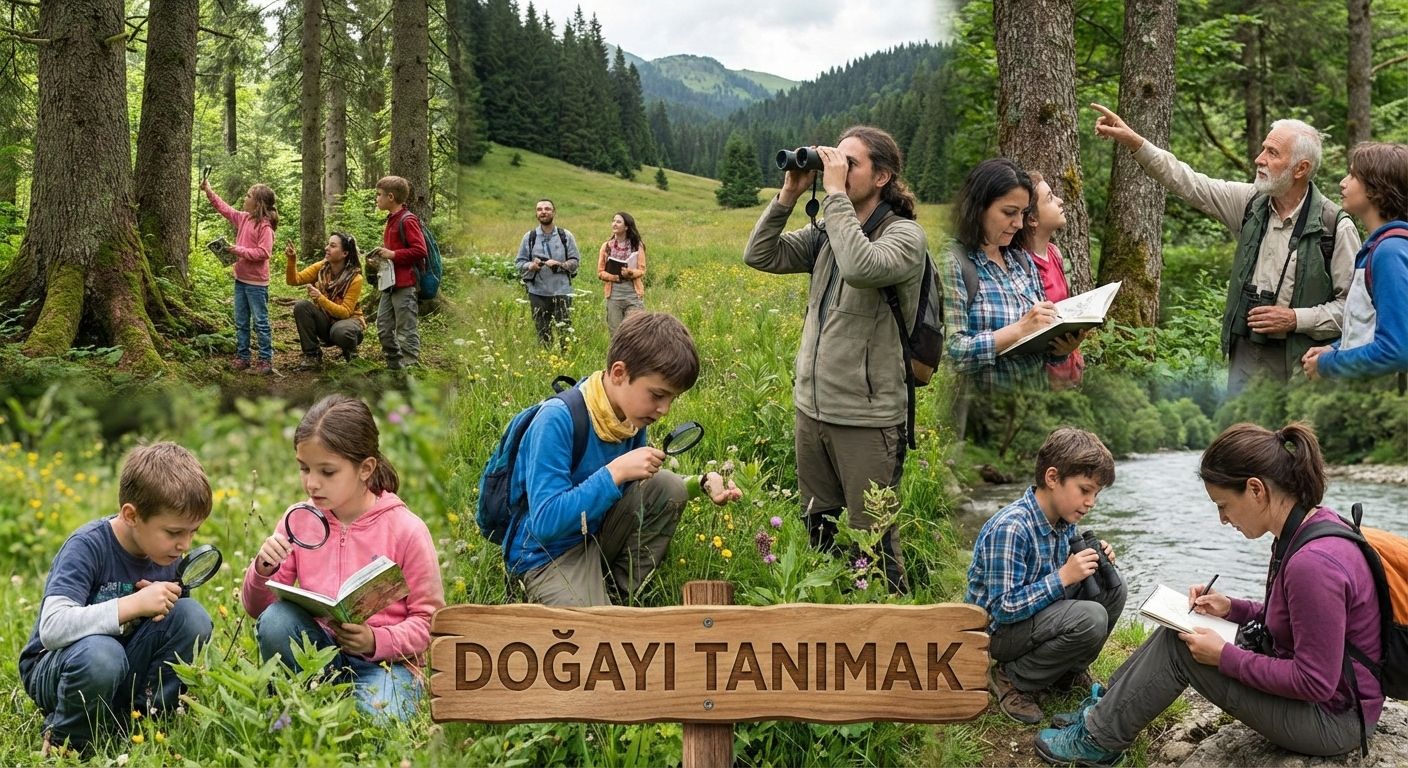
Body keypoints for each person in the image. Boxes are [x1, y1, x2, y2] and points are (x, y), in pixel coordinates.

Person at [1035, 422, 1383, 764]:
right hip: (1323, 701)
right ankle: (1107, 708)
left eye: (1223, 505)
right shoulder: (1302, 530)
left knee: (1184, 650)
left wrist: (1224, 657)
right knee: (1183, 627)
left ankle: (1098, 741)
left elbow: (1315, 682)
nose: (1222, 519)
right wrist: (1231, 608)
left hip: (1333, 720)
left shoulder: (1312, 563)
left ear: (1256, 489)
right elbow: (1295, 620)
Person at [743, 126, 925, 593]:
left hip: (866, 418)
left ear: (882, 176)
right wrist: (788, 195)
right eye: (833, 160)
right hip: (813, 409)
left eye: (850, 163)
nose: (836, 169)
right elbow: (759, 255)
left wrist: (835, 195)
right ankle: (831, 609)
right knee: (819, 528)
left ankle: (891, 617)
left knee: (874, 543)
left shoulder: (905, 236)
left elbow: (862, 267)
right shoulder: (827, 233)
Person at [1092, 103, 1359, 397]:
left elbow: (1354, 310)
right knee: (1241, 425)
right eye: (1263, 149)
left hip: (1303, 362)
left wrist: (1295, 318)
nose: (1259, 159)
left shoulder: (1334, 227)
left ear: (1301, 168)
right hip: (1245, 352)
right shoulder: (1249, 203)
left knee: (1294, 426)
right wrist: (1135, 141)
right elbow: (1187, 181)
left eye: (1272, 153)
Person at [505, 312, 741, 607]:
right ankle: (577, 598)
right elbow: (544, 523)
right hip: (547, 553)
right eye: (657, 395)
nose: (664, 409)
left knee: (669, 486)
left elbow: (641, 487)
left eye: (672, 399)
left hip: (595, 533)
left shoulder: (630, 418)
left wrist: (703, 482)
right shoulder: (557, 420)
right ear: (619, 373)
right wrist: (614, 472)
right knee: (593, 630)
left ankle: (617, 593)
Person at [241, 395, 444, 720]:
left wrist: (375, 640)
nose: (312, 483)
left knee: (379, 719)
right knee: (277, 618)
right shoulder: (299, 520)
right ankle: (313, 699)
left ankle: (338, 707)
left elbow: (429, 624)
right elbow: (258, 611)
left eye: (327, 472)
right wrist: (263, 569)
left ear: (365, 469)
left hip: (387, 665)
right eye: (304, 468)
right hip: (318, 655)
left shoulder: (406, 530)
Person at [19, 443, 214, 756]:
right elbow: (52, 629)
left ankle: (143, 718)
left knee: (191, 616)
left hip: (122, 667)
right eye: (174, 532)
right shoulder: (88, 546)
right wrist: (132, 605)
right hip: (60, 668)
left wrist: (158, 608)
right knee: (102, 653)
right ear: (132, 515)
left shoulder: (166, 554)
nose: (184, 545)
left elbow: (172, 633)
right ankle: (68, 741)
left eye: (193, 532)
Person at [967, 428, 1123, 725]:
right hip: (996, 633)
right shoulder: (1012, 527)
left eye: (1096, 494)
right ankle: (1013, 678)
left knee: (1114, 587)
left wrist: (1094, 559)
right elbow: (1003, 608)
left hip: (1032, 618)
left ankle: (1066, 673)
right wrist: (1064, 576)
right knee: (1091, 617)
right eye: (1085, 490)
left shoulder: (1063, 521)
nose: (1091, 502)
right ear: (1052, 478)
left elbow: (1054, 574)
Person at [945, 158, 1086, 394]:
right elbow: (953, 354)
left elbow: (1043, 352)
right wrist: (1018, 330)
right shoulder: (955, 262)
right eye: (1009, 212)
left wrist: (1060, 348)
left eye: (1022, 213)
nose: (1019, 224)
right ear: (978, 207)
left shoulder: (1021, 260)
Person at [1304, 142, 1408, 380]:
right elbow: (1372, 328)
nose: (1343, 182)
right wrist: (1337, 348)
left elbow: (1397, 351)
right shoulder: (1383, 247)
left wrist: (1327, 364)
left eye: (1352, 175)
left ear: (1376, 188)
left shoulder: (1390, 252)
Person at [201, 178, 278, 374]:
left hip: (257, 284)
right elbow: (224, 209)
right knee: (241, 321)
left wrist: (238, 250)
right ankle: (243, 357)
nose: (245, 199)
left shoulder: (265, 227)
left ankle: (265, 359)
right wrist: (209, 190)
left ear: (258, 203)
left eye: (248, 196)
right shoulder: (244, 218)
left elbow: (264, 253)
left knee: (260, 322)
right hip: (240, 280)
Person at [1023, 171, 1085, 389]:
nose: (1060, 201)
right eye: (1050, 198)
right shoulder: (1021, 264)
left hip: (1069, 364)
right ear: (1032, 219)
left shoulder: (1054, 252)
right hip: (1043, 376)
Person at [364, 176, 427, 371]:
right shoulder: (392, 220)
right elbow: (394, 253)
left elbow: (420, 250)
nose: (377, 198)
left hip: (405, 284)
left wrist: (392, 254)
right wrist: (380, 261)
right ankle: (395, 367)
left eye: (379, 195)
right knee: (383, 327)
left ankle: (410, 369)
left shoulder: (407, 220)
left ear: (390, 197)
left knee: (406, 329)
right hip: (389, 284)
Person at [285, 232, 366, 370]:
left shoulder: (355, 278)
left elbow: (345, 312)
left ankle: (351, 352)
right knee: (301, 306)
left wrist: (320, 298)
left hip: (348, 323)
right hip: (327, 322)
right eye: (328, 244)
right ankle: (312, 355)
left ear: (345, 253)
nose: (327, 248)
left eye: (333, 246)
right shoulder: (322, 267)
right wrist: (292, 259)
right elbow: (294, 280)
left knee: (340, 331)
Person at [516, 199, 581, 347]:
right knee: (542, 332)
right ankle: (546, 356)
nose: (543, 212)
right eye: (539, 209)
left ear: (554, 212)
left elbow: (575, 261)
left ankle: (566, 357)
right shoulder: (529, 237)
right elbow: (519, 262)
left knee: (565, 332)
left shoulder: (565, 236)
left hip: (562, 291)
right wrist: (531, 266)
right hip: (537, 292)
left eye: (547, 209)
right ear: (536, 213)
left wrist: (559, 265)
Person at [597, 212, 648, 335]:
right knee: (616, 333)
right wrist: (614, 277)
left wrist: (630, 273)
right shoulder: (606, 246)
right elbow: (600, 272)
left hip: (633, 295)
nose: (614, 224)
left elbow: (642, 270)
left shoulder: (637, 245)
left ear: (626, 227)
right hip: (614, 296)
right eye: (613, 221)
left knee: (635, 332)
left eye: (618, 222)